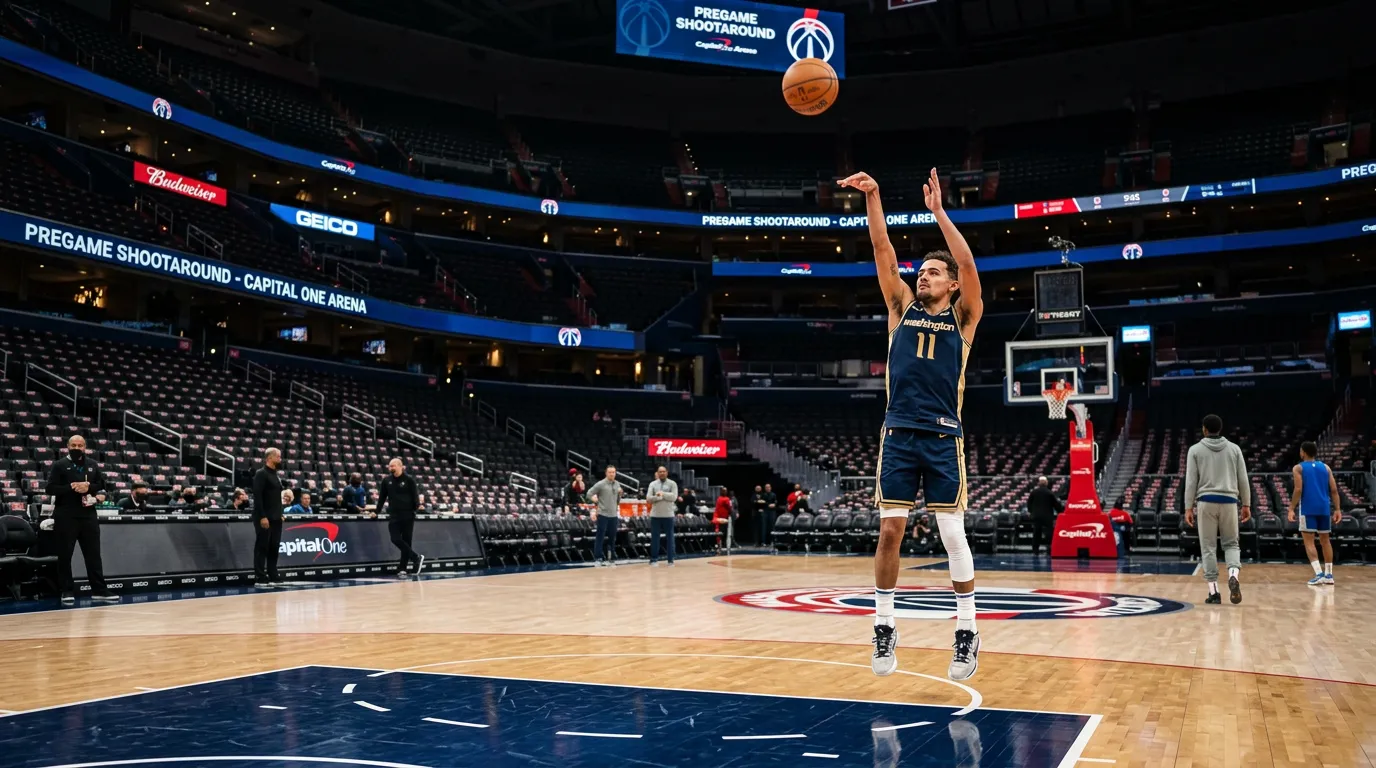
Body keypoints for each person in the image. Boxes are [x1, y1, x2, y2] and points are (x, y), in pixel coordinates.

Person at [839, 167, 984, 682]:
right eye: (920, 270)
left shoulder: (963, 318)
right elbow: (881, 250)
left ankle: (966, 630)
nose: (923, 275)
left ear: (950, 285)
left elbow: (967, 263)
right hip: (899, 432)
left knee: (952, 534)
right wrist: (874, 196)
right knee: (889, 533)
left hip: (944, 435)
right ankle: (884, 626)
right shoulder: (900, 307)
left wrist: (939, 213)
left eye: (932, 272)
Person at [1184, 414, 1251, 605]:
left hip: (1206, 502)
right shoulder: (1234, 449)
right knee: (1231, 544)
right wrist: (1246, 504)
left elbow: (1191, 482)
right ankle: (1233, 575)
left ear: (1204, 429)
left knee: (1208, 548)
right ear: (1220, 429)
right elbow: (1243, 479)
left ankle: (1214, 593)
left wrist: (1188, 507)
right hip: (1230, 501)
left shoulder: (1195, 450)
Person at [46, 434, 115, 604]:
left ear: (85, 447)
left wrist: (89, 487)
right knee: (65, 555)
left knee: (93, 555)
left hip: (89, 515)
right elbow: (50, 489)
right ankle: (67, 591)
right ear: (68, 446)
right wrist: (71, 487)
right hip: (66, 515)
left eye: (80, 445)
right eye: (74, 445)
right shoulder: (59, 465)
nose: (77, 448)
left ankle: (99, 590)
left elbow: (102, 484)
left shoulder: (92, 464)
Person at [1288, 441, 1341, 586]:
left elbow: (1298, 489)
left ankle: (1318, 574)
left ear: (1303, 452)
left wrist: (1291, 508)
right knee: (1325, 540)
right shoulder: (1326, 467)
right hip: (1324, 507)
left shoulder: (1298, 468)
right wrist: (1337, 509)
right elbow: (1334, 490)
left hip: (1308, 508)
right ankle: (1329, 574)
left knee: (1309, 542)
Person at [378, 458, 425, 578]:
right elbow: (382, 498)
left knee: (407, 541)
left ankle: (402, 568)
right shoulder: (386, 481)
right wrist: (376, 511)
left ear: (400, 466)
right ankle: (416, 557)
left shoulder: (409, 480)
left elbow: (415, 496)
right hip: (394, 515)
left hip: (408, 515)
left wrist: (415, 508)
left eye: (393, 466)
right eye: (389, 466)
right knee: (395, 539)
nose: (390, 468)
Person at [251, 447, 285, 588]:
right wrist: (262, 516)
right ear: (270, 458)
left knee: (274, 547)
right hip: (264, 517)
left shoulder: (275, 474)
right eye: (278, 457)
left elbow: (275, 497)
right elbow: (258, 496)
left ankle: (273, 574)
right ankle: (260, 576)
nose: (280, 460)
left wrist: (280, 513)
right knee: (262, 546)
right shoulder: (261, 473)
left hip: (276, 517)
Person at [586, 465, 624, 566]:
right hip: (603, 514)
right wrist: (596, 501)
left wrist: (620, 495)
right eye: (610, 472)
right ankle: (598, 558)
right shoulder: (600, 484)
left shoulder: (617, 484)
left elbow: (617, 501)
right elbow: (589, 493)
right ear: (606, 473)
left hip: (613, 515)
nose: (612, 474)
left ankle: (611, 558)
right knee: (600, 536)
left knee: (612, 537)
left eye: (613, 472)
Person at [646, 466, 678, 566]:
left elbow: (674, 497)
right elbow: (648, 498)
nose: (662, 473)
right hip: (655, 515)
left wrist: (663, 494)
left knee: (670, 538)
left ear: (667, 473)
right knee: (655, 538)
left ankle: (670, 560)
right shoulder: (652, 484)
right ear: (657, 473)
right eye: (660, 472)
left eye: (664, 471)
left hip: (668, 515)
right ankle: (654, 559)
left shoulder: (672, 484)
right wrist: (658, 497)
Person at [1027, 476, 1062, 556]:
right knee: (1049, 533)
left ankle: (1035, 551)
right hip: (1047, 516)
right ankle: (1049, 549)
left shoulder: (1034, 492)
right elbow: (1056, 505)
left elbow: (1029, 503)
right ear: (1046, 483)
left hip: (1036, 516)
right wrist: (1061, 512)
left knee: (1036, 533)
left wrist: (1030, 512)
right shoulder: (1050, 493)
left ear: (1039, 483)